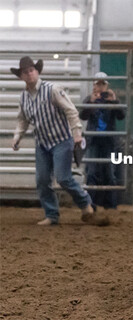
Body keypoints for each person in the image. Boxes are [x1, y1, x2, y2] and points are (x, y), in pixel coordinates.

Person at [11, 56, 107, 226]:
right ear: (21, 76)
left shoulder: (53, 89)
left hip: (62, 140)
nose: (29, 74)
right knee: (42, 180)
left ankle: (85, 203)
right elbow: (23, 120)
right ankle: (52, 215)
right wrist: (17, 136)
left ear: (37, 71)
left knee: (63, 178)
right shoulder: (24, 98)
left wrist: (77, 132)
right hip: (42, 143)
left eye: (31, 70)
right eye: (25, 72)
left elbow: (70, 111)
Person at [80, 72, 125, 210]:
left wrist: (114, 101)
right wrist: (91, 103)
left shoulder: (111, 100)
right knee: (92, 172)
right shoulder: (89, 99)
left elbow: (121, 116)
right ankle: (91, 205)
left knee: (110, 173)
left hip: (108, 141)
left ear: (106, 86)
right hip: (93, 140)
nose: (100, 87)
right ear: (94, 85)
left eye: (102, 84)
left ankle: (111, 206)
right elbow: (83, 116)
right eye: (97, 84)